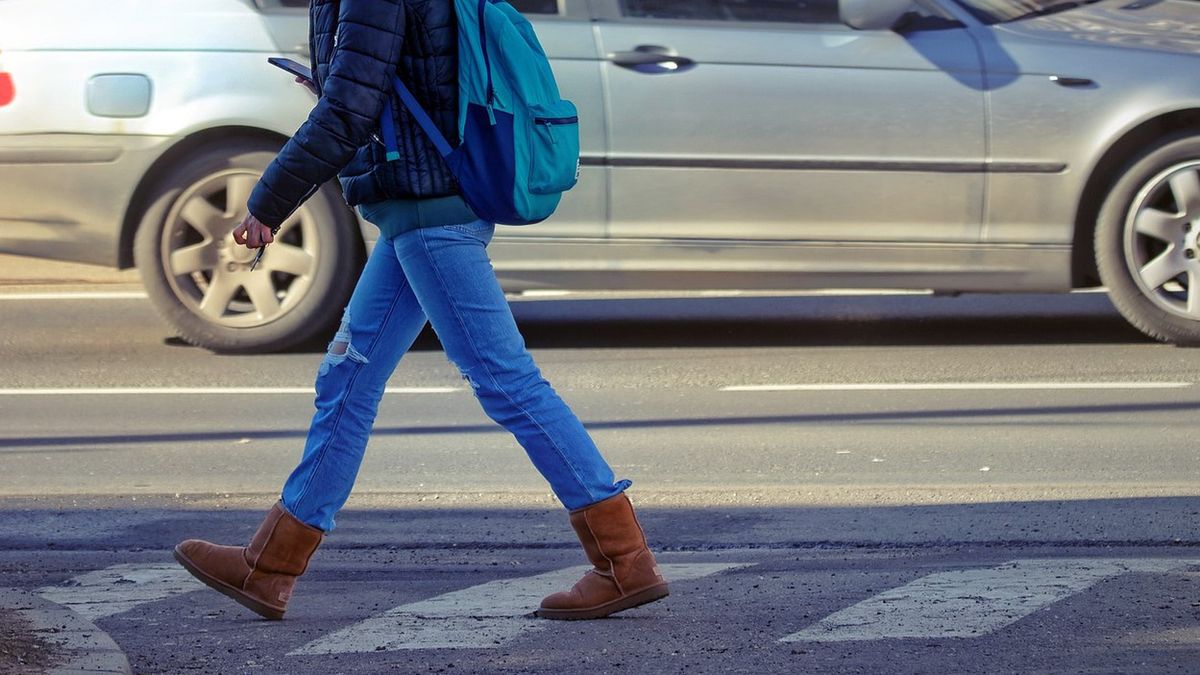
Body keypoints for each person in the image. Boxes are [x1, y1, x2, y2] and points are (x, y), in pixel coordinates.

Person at [171, 0, 668, 622]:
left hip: (431, 212)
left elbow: (348, 112)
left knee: (506, 381)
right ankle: (270, 567)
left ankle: (624, 562)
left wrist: (269, 203)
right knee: (348, 378)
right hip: (416, 207)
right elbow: (390, 86)